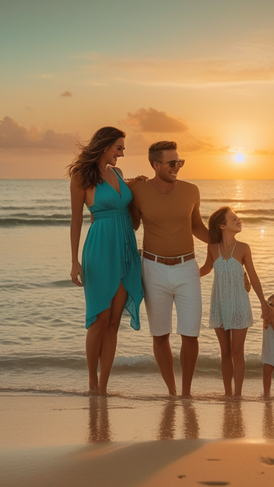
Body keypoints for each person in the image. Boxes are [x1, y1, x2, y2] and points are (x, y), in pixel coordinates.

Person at [68, 126, 144, 396]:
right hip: (99, 248)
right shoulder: (81, 176)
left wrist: (135, 186)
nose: (122, 154)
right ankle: (91, 380)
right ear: (105, 145)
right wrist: (74, 261)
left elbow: (127, 208)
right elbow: (76, 219)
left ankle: (104, 385)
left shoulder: (119, 174)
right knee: (99, 319)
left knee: (114, 322)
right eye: (119, 148)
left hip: (126, 247)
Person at [129, 141, 209, 397]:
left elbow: (197, 227)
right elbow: (131, 225)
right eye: (172, 163)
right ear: (155, 164)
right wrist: (123, 189)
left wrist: (225, 243)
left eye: (180, 162)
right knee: (160, 334)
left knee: (190, 334)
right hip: (152, 268)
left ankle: (186, 392)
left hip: (187, 268)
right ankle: (172, 392)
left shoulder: (191, 190)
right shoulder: (138, 191)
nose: (177, 167)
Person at [200, 207, 271, 396]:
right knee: (225, 352)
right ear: (222, 225)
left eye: (238, 218)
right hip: (219, 304)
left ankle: (237, 395)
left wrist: (263, 303)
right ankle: (227, 394)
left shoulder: (243, 248)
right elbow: (206, 268)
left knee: (237, 351)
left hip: (239, 304)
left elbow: (254, 277)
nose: (239, 221)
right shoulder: (212, 247)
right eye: (233, 219)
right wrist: (183, 276)